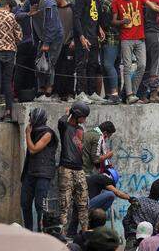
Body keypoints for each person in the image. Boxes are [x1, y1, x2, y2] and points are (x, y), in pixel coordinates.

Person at [19, 0, 64, 99]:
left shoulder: (49, 4)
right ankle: (41, 88)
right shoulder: (29, 2)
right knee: (39, 62)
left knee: (49, 62)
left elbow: (52, 25)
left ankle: (48, 88)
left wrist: (47, 43)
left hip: (54, 37)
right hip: (40, 36)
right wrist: (28, 14)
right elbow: (17, 15)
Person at [21, 108, 58, 232]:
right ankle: (28, 231)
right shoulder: (33, 132)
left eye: (32, 118)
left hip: (43, 174)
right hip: (30, 173)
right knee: (25, 203)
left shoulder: (48, 133)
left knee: (39, 205)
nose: (30, 120)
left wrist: (27, 134)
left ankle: (40, 232)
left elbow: (33, 149)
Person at [58, 101, 91, 235]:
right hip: (66, 168)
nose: (85, 119)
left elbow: (80, 147)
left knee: (83, 204)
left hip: (79, 169)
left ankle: (86, 235)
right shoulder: (64, 126)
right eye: (83, 116)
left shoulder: (80, 129)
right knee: (64, 205)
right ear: (77, 114)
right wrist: (68, 113)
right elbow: (62, 120)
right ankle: (61, 237)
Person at [75, 0, 104, 97]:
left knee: (93, 64)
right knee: (82, 65)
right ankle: (81, 93)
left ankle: (92, 93)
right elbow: (76, 18)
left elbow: (95, 15)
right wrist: (81, 36)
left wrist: (99, 29)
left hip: (93, 36)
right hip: (84, 37)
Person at [123, 179, 159, 249]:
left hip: (132, 240)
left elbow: (126, 220)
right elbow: (157, 230)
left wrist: (129, 235)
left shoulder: (137, 202)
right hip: (149, 244)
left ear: (151, 189)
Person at [51, 0, 75, 101]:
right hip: (56, 45)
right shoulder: (54, 9)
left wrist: (74, 40)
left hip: (69, 44)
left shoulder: (72, 8)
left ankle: (69, 93)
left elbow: (77, 26)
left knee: (69, 70)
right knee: (57, 69)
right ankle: (57, 92)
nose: (53, 0)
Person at [14, 0, 37, 98]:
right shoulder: (31, 7)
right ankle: (30, 93)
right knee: (31, 70)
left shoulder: (16, 9)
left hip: (21, 44)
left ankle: (19, 93)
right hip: (31, 43)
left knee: (20, 69)